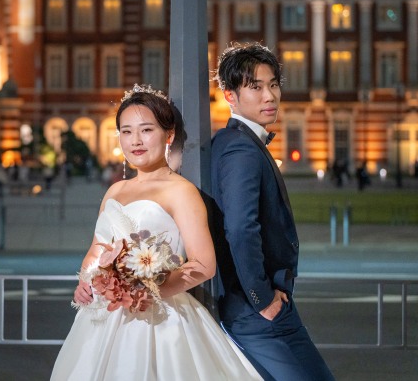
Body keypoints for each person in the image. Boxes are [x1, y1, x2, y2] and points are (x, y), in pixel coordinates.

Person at [51, 85, 262, 380]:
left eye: (146, 130)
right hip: (104, 314)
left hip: (161, 314)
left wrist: (149, 291)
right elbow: (98, 248)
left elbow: (204, 265)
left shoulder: (181, 191)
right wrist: (86, 281)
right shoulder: (115, 190)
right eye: (126, 131)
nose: (135, 140)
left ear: (169, 135)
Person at [211, 42, 334, 381]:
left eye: (273, 84)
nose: (270, 96)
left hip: (261, 307)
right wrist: (262, 298)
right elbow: (240, 228)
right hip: (257, 310)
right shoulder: (240, 148)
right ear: (230, 96)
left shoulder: (232, 141)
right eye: (255, 87)